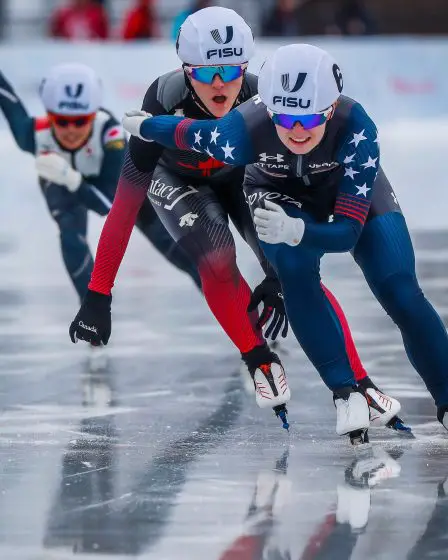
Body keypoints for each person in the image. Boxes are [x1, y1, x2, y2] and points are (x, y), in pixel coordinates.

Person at [69, 10, 407, 436]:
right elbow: (123, 208)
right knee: (215, 257)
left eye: (230, 70)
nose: (220, 84)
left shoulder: (262, 96)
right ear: (184, 69)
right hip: (177, 178)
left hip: (242, 176)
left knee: (292, 265)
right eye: (207, 73)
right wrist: (99, 294)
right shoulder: (161, 100)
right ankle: (257, 357)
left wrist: (278, 269)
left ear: (245, 67)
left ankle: (360, 383)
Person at [0, 63, 200, 366]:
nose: (70, 130)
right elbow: (7, 98)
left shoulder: (112, 136)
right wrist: (67, 179)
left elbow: (110, 207)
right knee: (70, 231)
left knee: (173, 246)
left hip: (110, 184)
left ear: (93, 116)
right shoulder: (32, 134)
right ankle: (91, 320)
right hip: (60, 180)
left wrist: (71, 177)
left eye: (80, 120)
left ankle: (242, 313)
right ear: (48, 116)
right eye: (61, 120)